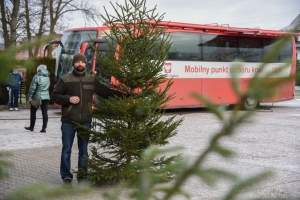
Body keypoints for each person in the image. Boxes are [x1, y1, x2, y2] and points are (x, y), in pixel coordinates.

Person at [51, 53, 127, 186]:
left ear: (86, 64)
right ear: (73, 64)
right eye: (77, 62)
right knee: (66, 150)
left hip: (85, 121)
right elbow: (54, 96)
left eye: (82, 62)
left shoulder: (91, 80)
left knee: (84, 151)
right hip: (68, 121)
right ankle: (66, 177)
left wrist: (126, 96)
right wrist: (68, 99)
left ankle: (83, 177)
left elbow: (106, 92)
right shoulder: (65, 79)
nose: (80, 64)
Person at [25, 64, 50, 133]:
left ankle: (31, 127)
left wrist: (30, 97)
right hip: (46, 97)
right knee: (45, 112)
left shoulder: (36, 77)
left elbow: (32, 88)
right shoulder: (48, 77)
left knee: (33, 111)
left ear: (38, 70)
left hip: (37, 97)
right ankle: (44, 128)